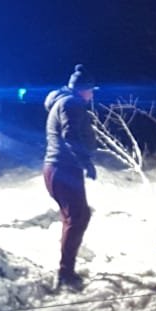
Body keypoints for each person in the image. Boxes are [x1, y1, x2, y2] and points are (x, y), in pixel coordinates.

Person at [43, 64, 99, 291]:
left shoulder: (66, 102)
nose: (92, 94)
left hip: (63, 169)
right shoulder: (70, 103)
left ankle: (67, 268)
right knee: (77, 217)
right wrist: (86, 162)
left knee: (77, 217)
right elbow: (70, 135)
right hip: (62, 168)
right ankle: (66, 273)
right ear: (82, 89)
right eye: (90, 90)